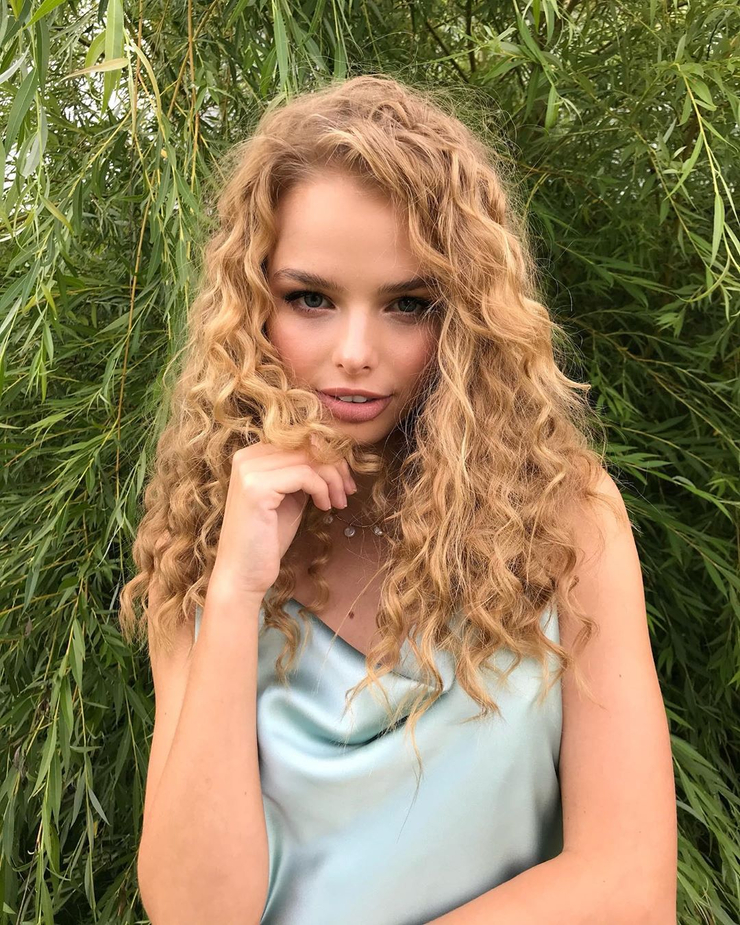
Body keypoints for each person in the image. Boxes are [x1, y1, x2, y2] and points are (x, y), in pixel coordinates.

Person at [121, 74, 677, 925]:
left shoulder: (562, 514)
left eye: (408, 304)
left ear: (466, 317)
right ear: (251, 304)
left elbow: (631, 885)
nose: (355, 350)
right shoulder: (201, 534)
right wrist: (234, 591)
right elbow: (196, 913)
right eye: (310, 298)